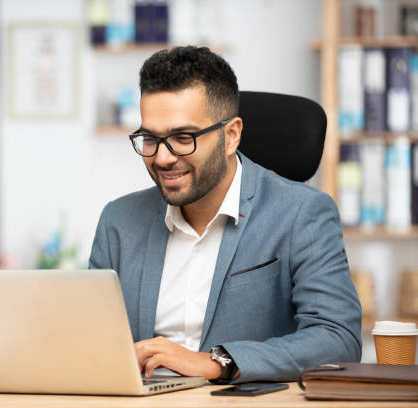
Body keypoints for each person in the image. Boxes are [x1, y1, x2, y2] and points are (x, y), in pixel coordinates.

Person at [89, 46, 362, 384]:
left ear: (231, 135)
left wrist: (217, 362)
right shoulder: (118, 221)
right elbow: (91, 342)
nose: (161, 158)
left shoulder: (301, 213)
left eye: (182, 138)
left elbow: (338, 339)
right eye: (150, 138)